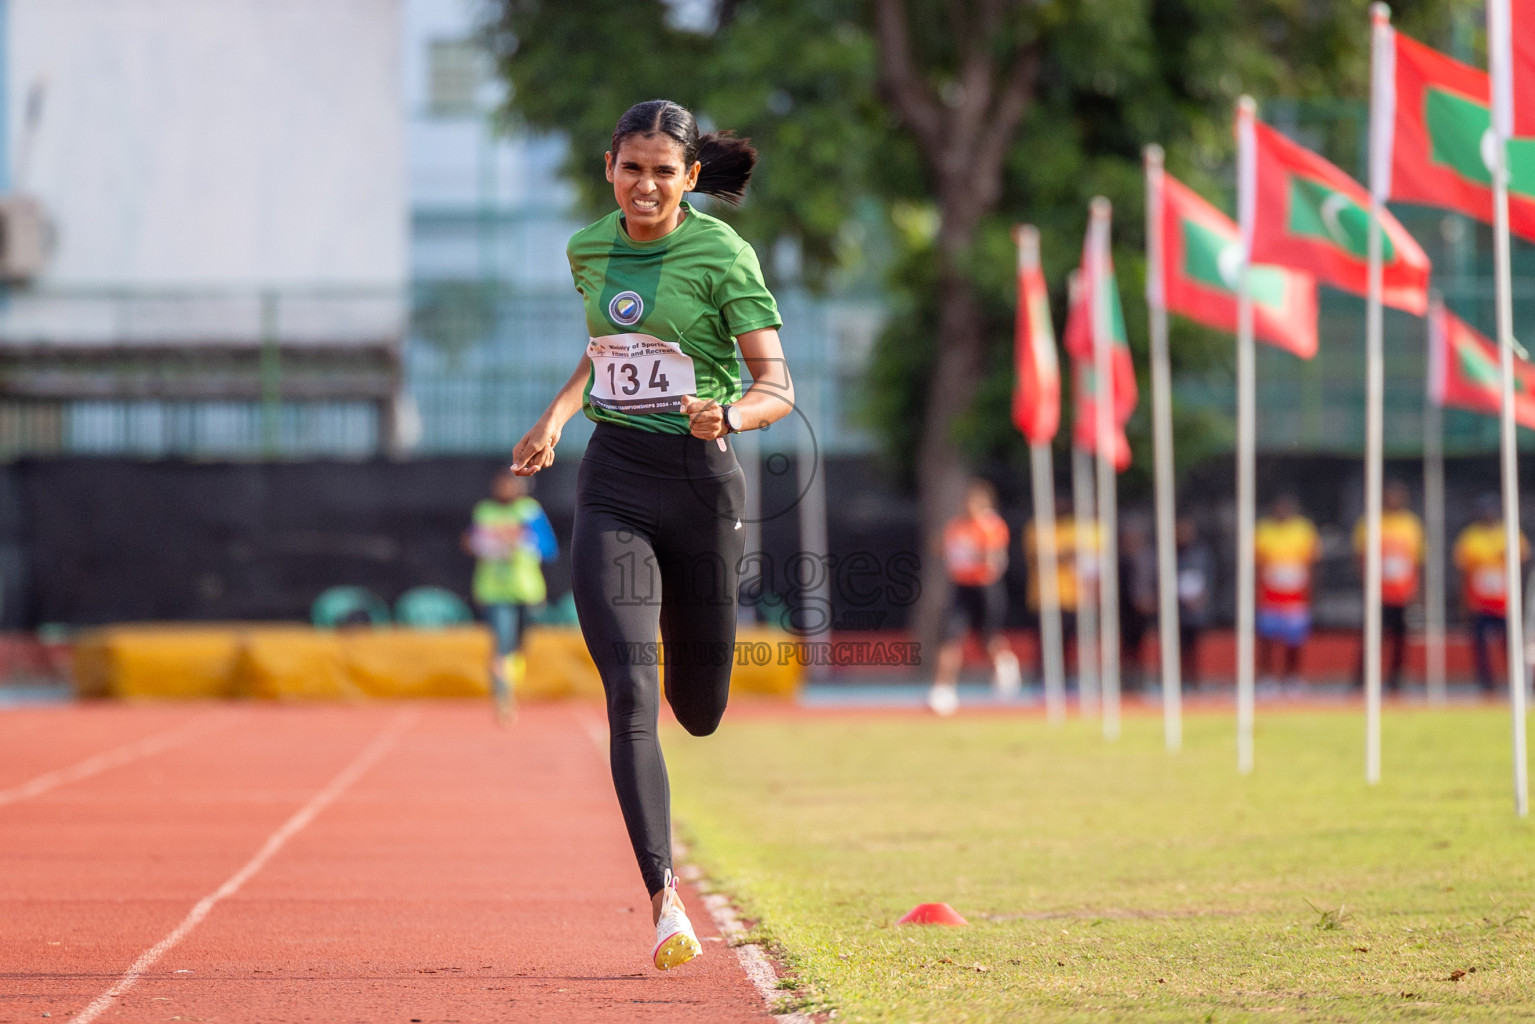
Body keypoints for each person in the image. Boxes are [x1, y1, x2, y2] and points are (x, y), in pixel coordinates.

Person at [511, 100, 794, 972]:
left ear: (690, 178)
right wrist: (559, 415)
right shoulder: (586, 247)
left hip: (702, 486)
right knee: (630, 695)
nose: (645, 185)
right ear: (609, 167)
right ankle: (665, 901)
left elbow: (776, 386)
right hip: (616, 484)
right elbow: (605, 348)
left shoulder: (721, 253)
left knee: (697, 711)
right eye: (631, 168)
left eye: (662, 172)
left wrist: (730, 416)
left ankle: (695, 657)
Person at [463, 470, 557, 721]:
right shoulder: (485, 511)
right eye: (500, 484)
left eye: (509, 485)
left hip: (527, 591)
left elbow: (549, 548)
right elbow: (470, 541)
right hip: (493, 591)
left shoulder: (529, 510)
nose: (504, 489)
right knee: (502, 644)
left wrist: (521, 540)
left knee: (520, 645)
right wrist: (482, 543)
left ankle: (509, 678)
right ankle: (504, 698)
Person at [927, 479, 1021, 715]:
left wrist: (976, 552)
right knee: (950, 638)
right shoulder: (955, 527)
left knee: (988, 639)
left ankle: (1005, 663)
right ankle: (943, 689)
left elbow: (995, 561)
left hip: (985, 588)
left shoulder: (991, 526)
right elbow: (943, 550)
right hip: (961, 588)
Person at [1453, 493, 1530, 694]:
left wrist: (1520, 598)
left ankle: (1517, 680)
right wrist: (1465, 602)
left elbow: (1523, 567)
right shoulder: (1470, 537)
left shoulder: (1511, 533)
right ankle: (1487, 684)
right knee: (1480, 645)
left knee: (1511, 645)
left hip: (1506, 602)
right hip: (1480, 602)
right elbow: (1464, 573)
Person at [1352, 480, 1423, 694]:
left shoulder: (1412, 524)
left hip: (1402, 593)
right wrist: (1366, 584)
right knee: (1372, 637)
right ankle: (1362, 680)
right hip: (1378, 593)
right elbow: (1360, 557)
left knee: (1400, 638)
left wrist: (1417, 590)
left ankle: (1395, 679)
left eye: (1398, 496)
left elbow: (1417, 560)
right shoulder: (1370, 522)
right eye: (1390, 496)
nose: (1394, 500)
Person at [1253, 494, 1320, 690]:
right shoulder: (1263, 530)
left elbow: (1313, 563)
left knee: (1295, 639)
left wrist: (1312, 592)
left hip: (1295, 596)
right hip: (1270, 596)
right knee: (1267, 637)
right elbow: (1257, 564)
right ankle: (1266, 678)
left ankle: (1292, 677)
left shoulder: (1304, 530)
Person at [1024, 495, 1082, 684]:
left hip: (1070, 595)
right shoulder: (1038, 528)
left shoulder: (1071, 529)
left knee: (1067, 641)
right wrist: (1068, 553)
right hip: (1044, 595)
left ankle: (1065, 678)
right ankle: (1042, 678)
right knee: (1045, 641)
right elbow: (1043, 557)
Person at [1118, 518, 1158, 693]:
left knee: (1141, 645)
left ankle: (1141, 680)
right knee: (1126, 647)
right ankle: (1125, 680)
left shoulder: (1149, 558)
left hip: (1144, 610)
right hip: (1124, 610)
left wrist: (1150, 600)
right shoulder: (1120, 559)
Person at [1175, 517, 1215, 688]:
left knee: (1194, 646)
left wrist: (1201, 599)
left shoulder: (1202, 552)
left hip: (1196, 609)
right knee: (1177, 646)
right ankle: (1178, 679)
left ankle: (1194, 679)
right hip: (1177, 609)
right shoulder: (1171, 552)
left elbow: (1209, 577)